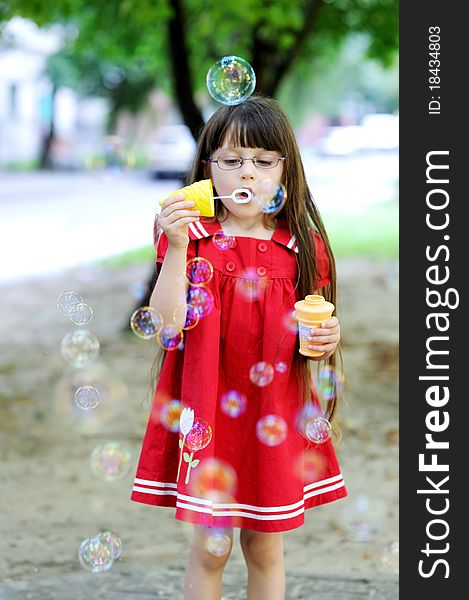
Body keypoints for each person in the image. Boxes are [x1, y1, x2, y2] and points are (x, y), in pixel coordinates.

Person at [131, 95, 347, 600]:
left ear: (284, 170)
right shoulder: (193, 239)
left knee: (265, 548)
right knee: (211, 549)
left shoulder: (302, 247)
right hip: (207, 409)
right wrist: (179, 247)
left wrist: (324, 341)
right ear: (208, 169)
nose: (245, 174)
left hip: (272, 410)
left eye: (262, 161)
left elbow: (312, 337)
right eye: (230, 161)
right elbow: (163, 324)